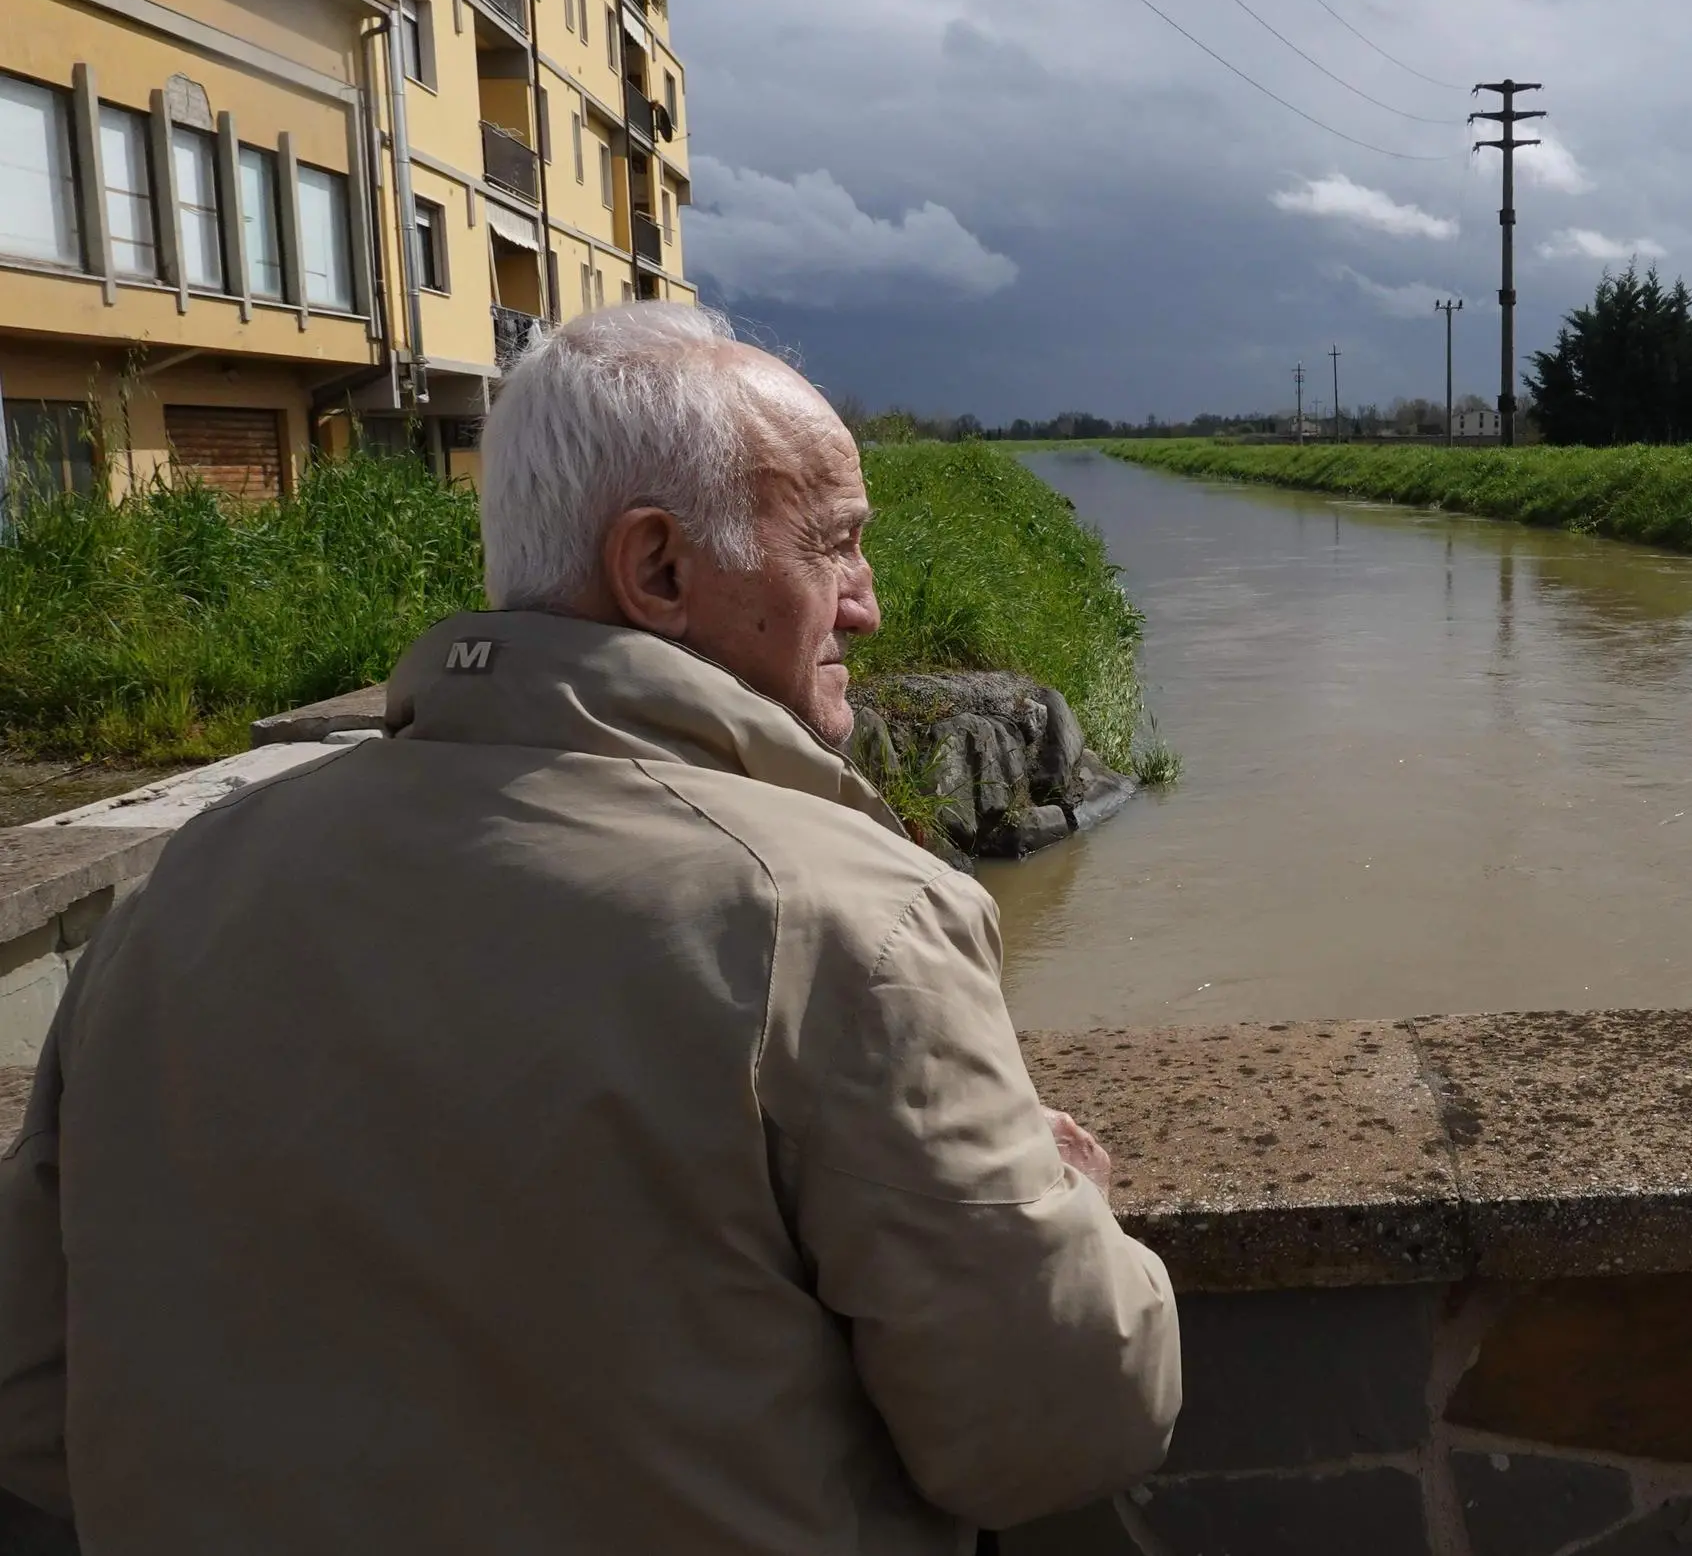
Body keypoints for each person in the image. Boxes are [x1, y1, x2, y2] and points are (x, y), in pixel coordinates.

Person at [0, 303, 1179, 1552]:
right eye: (833, 545)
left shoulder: (183, 889)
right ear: (658, 569)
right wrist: (1077, 1216)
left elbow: (33, 1398)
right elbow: (1055, 1427)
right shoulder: (841, 918)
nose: (866, 606)